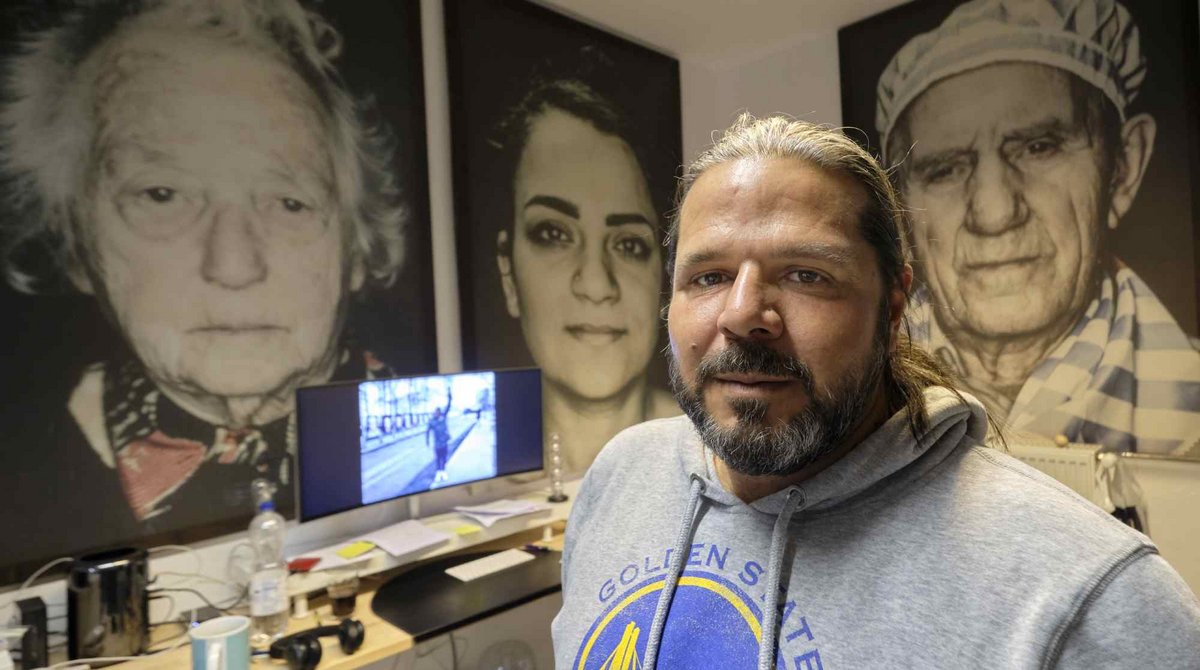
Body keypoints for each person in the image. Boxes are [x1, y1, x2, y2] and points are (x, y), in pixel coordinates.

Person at [551, 115, 1200, 668]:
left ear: (893, 307)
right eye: (708, 276)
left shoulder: (1091, 598)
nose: (743, 314)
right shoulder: (620, 477)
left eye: (806, 274)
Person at [0, 0, 406, 562]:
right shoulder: (23, 477)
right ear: (75, 243)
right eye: (162, 195)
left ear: (357, 247)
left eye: (289, 203)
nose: (235, 266)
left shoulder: (429, 438)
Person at [875, 0, 1200, 454]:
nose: (994, 213)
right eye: (945, 169)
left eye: (1039, 147)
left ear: (1123, 167)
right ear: (902, 205)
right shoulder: (850, 397)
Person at [491, 55, 679, 474]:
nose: (596, 283)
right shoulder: (464, 482)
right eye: (554, 234)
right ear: (508, 274)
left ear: (664, 276)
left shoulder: (720, 458)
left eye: (630, 244)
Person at [426, 387, 453, 484]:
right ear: (434, 413)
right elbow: (427, 431)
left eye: (438, 412)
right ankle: (438, 473)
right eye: (436, 412)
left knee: (444, 458)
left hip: (444, 443)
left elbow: (448, 406)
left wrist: (450, 395)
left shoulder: (443, 418)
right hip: (437, 444)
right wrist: (427, 441)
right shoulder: (432, 422)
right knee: (438, 459)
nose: (437, 413)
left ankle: (443, 472)